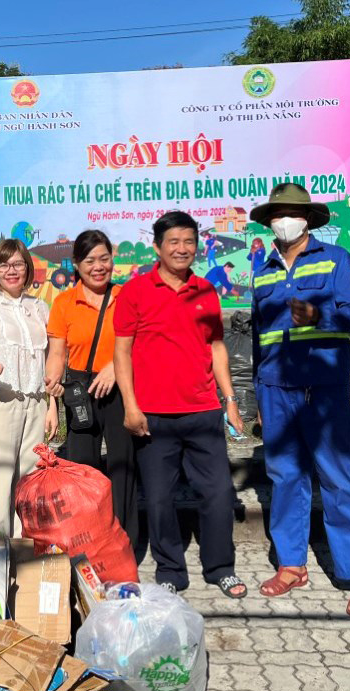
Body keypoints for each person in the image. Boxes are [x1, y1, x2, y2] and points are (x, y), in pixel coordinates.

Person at [249, 182, 350, 617]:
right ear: (270, 222)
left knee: (340, 477)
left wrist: (321, 314)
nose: (283, 221)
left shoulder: (337, 259)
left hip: (323, 389)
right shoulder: (262, 271)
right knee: (285, 478)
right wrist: (259, 397)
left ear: (307, 219)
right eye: (276, 214)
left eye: (291, 213)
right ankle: (291, 565)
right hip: (275, 388)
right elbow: (257, 338)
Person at [114, 211, 248, 598]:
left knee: (219, 494)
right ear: (158, 247)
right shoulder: (135, 292)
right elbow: (121, 353)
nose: (182, 248)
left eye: (189, 241)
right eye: (174, 241)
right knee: (158, 500)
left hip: (203, 411)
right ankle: (171, 569)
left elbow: (216, 347)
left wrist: (231, 402)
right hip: (153, 417)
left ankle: (220, 566)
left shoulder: (206, 291)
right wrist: (131, 406)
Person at [43, 229, 138, 547]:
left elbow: (141, 342)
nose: (98, 266)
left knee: (122, 466)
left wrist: (115, 366)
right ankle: (87, 538)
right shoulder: (65, 303)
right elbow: (57, 353)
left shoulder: (126, 296)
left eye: (104, 258)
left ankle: (123, 540)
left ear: (113, 259)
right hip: (80, 391)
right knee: (82, 468)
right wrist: (52, 399)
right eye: (89, 260)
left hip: (121, 388)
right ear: (76, 264)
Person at [0, 238, 52, 537]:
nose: (11, 270)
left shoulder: (40, 308)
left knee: (30, 482)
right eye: (3, 264)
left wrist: (52, 404)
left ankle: (24, 554)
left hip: (36, 402)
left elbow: (51, 357)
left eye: (17, 264)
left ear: (28, 268)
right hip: (2, 402)